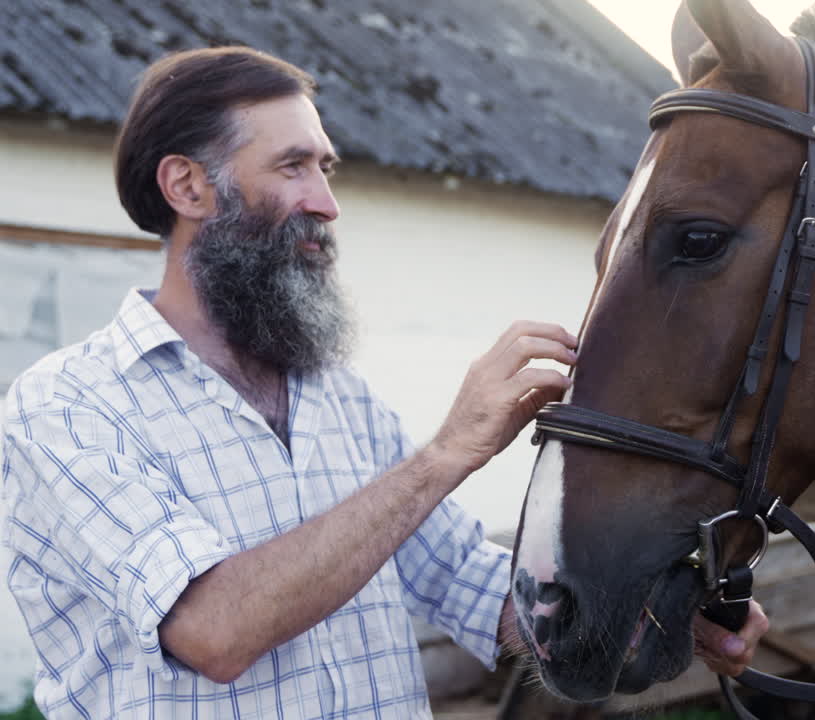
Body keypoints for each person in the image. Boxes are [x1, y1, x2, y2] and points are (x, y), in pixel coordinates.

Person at [0, 47, 765, 718]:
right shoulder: (67, 406)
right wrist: (447, 453)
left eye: (325, 170)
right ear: (187, 187)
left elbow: (468, 585)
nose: (326, 204)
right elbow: (213, 631)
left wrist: (666, 612)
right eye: (292, 166)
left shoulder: (338, 397)